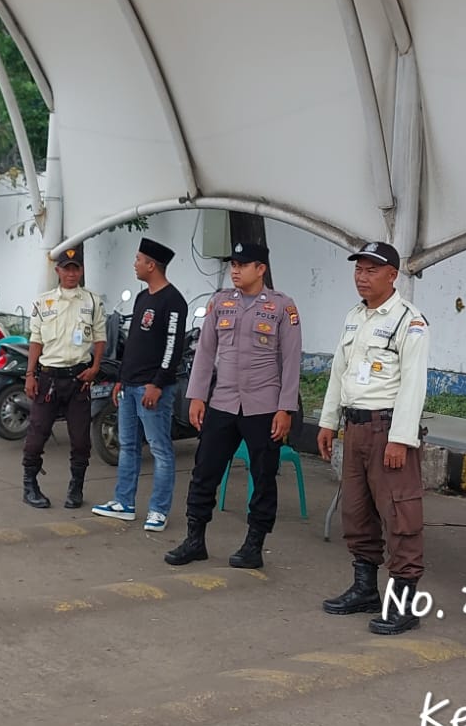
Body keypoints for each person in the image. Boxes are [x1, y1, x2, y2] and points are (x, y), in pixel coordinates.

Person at [315, 241, 431, 635]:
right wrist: (328, 422)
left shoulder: (408, 321)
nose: (362, 277)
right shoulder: (354, 317)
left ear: (392, 275)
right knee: (357, 513)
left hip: (387, 431)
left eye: (371, 270)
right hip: (355, 428)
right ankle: (365, 589)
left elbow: (413, 384)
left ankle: (403, 605)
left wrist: (401, 439)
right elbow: (340, 372)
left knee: (400, 517)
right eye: (358, 270)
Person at [164, 241, 302, 570]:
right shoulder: (220, 302)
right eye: (233, 265)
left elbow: (291, 360)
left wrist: (285, 409)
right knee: (204, 472)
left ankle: (254, 544)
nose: (235, 271)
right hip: (223, 402)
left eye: (243, 265)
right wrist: (197, 397)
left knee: (263, 477)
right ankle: (195, 539)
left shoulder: (282, 307)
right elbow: (205, 352)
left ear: (261, 269)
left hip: (264, 407)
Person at [93, 238, 189, 531]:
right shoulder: (141, 297)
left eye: (138, 259)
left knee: (160, 449)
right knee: (128, 445)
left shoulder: (173, 301)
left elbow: (173, 347)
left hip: (152, 389)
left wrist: (158, 384)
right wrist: (121, 380)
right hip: (130, 386)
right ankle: (124, 502)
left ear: (152, 265)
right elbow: (134, 343)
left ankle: (158, 510)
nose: (134, 264)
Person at [21, 246, 106, 510]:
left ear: (81, 271)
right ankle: (29, 486)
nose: (71, 274)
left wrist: (95, 367)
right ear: (57, 271)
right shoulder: (43, 302)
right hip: (48, 379)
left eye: (75, 269)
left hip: (78, 379)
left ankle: (76, 487)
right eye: (66, 269)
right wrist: (30, 374)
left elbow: (100, 337)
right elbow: (36, 340)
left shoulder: (92, 301)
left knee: (80, 440)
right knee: (37, 436)